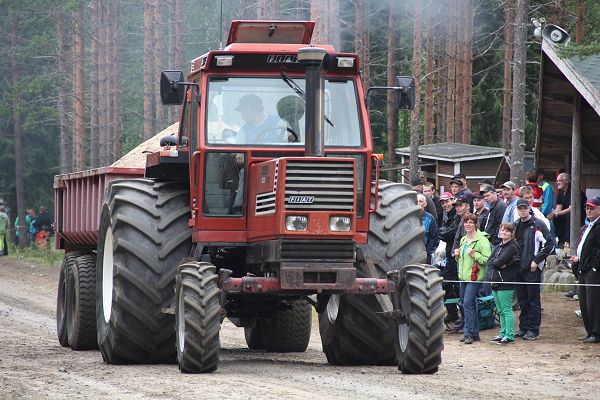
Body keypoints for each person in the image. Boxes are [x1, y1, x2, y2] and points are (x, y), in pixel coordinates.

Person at [514, 198, 554, 340]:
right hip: (519, 268)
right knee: (522, 300)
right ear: (517, 209)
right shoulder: (516, 224)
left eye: (525, 208)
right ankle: (523, 328)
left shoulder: (538, 224)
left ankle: (533, 329)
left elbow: (550, 243)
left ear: (529, 207)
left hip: (532, 269)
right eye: (520, 208)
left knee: (533, 300)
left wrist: (537, 260)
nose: (522, 210)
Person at [454, 213, 491, 344]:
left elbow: (487, 260)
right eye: (466, 222)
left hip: (475, 278)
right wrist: (457, 255)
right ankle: (475, 333)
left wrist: (475, 254)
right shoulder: (464, 239)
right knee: (466, 303)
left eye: (471, 222)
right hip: (463, 277)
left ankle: (468, 333)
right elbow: (463, 259)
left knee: (468, 303)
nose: (468, 224)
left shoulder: (482, 240)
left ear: (476, 224)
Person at [570, 196, 600, 343]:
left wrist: (594, 266)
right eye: (587, 208)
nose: (589, 210)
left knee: (593, 302)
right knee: (584, 302)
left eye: (592, 208)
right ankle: (590, 331)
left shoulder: (598, 226)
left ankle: (596, 332)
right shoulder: (587, 226)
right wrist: (579, 259)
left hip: (593, 270)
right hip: (583, 267)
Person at [488, 223, 520, 344]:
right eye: (502, 230)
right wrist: (498, 262)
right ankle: (502, 333)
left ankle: (509, 335)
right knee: (500, 310)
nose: (504, 232)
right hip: (495, 281)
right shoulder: (499, 246)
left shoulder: (512, 247)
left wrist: (499, 263)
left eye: (507, 231)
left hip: (506, 282)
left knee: (506, 309)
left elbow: (497, 262)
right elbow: (491, 261)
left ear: (512, 233)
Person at [438, 192, 461, 323]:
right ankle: (452, 313)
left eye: (446, 202)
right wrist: (444, 232)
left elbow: (452, 233)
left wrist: (444, 232)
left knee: (458, 286)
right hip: (449, 256)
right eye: (442, 202)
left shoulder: (457, 216)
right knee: (445, 285)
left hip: (456, 256)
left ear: (453, 200)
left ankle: (462, 316)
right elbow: (443, 232)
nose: (445, 205)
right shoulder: (446, 215)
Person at [548, 173, 586, 247]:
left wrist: (556, 214)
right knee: (555, 218)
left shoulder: (574, 191)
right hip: (564, 215)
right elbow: (558, 208)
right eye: (557, 181)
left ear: (566, 181)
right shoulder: (561, 192)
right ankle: (561, 241)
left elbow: (571, 208)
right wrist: (552, 214)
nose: (557, 182)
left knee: (569, 216)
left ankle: (568, 242)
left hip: (578, 215)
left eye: (560, 180)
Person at [417, 194, 439, 264]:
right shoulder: (409, 218)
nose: (418, 203)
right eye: (416, 201)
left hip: (424, 254)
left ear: (425, 204)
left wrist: (427, 252)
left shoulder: (430, 219)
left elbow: (434, 237)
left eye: (420, 201)